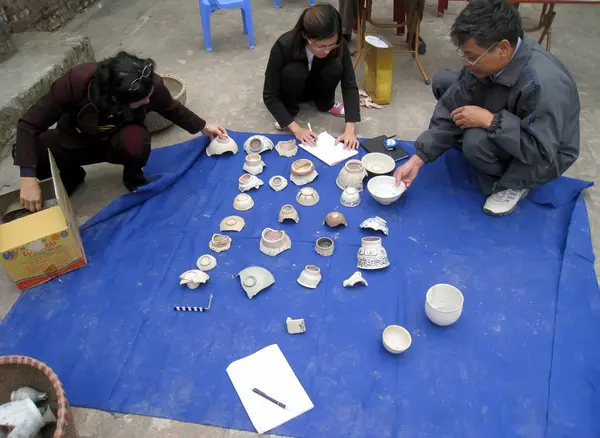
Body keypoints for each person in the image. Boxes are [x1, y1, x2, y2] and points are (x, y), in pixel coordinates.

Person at [394, 0, 579, 216]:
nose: (466, 63)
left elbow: (540, 149)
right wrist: (419, 158)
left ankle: (512, 184)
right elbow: (453, 106)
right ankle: (485, 143)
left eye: (472, 56)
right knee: (445, 82)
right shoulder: (486, 63)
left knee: (475, 142)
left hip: (546, 153)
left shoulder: (543, 84)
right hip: (512, 121)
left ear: (502, 48)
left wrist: (491, 122)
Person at [14, 51, 226, 213]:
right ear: (115, 98)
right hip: (76, 137)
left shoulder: (149, 83)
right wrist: (28, 179)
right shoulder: (75, 82)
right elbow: (28, 125)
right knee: (28, 151)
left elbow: (170, 108)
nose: (148, 101)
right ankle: (71, 176)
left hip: (117, 138)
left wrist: (204, 126)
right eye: (142, 100)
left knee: (136, 140)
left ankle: (133, 179)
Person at [263, 4, 361, 149]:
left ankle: (326, 103)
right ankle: (288, 111)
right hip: (293, 87)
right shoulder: (283, 46)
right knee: (294, 71)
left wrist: (350, 130)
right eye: (321, 46)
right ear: (305, 36)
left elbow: (349, 85)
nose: (327, 51)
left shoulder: (339, 45)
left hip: (317, 85)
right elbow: (269, 94)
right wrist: (297, 130)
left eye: (331, 45)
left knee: (335, 65)